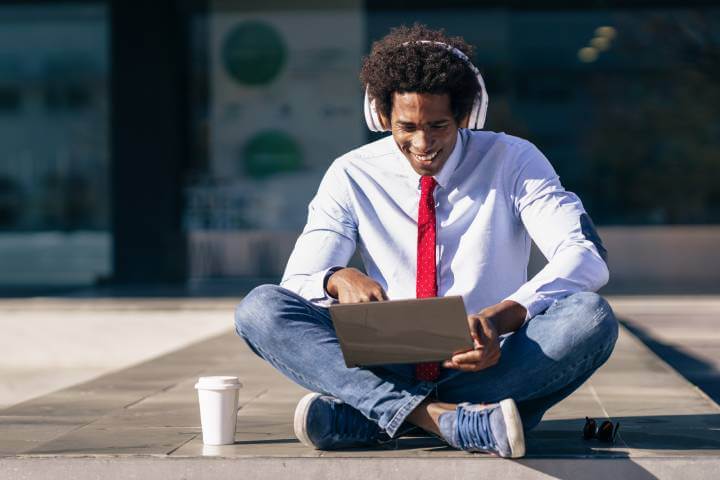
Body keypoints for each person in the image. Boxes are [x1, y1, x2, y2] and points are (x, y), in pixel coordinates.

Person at [234, 24, 618, 458]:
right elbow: (298, 280)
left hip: (485, 360)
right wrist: (337, 278)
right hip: (388, 357)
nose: (423, 143)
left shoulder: (513, 159)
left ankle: (375, 415)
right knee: (260, 308)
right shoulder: (351, 173)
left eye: (438, 125)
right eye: (407, 127)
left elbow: (584, 256)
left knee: (591, 318)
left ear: (466, 115)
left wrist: (500, 317)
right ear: (381, 117)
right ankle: (445, 420)